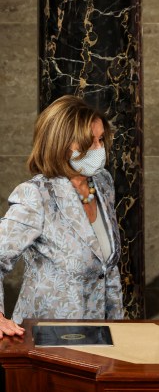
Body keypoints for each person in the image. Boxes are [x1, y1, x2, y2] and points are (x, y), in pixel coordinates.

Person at [0, 95, 124, 338]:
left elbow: (105, 267)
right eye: (88, 142)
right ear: (61, 143)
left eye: (100, 140)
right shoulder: (36, 195)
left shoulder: (102, 183)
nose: (99, 149)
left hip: (103, 335)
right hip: (47, 339)